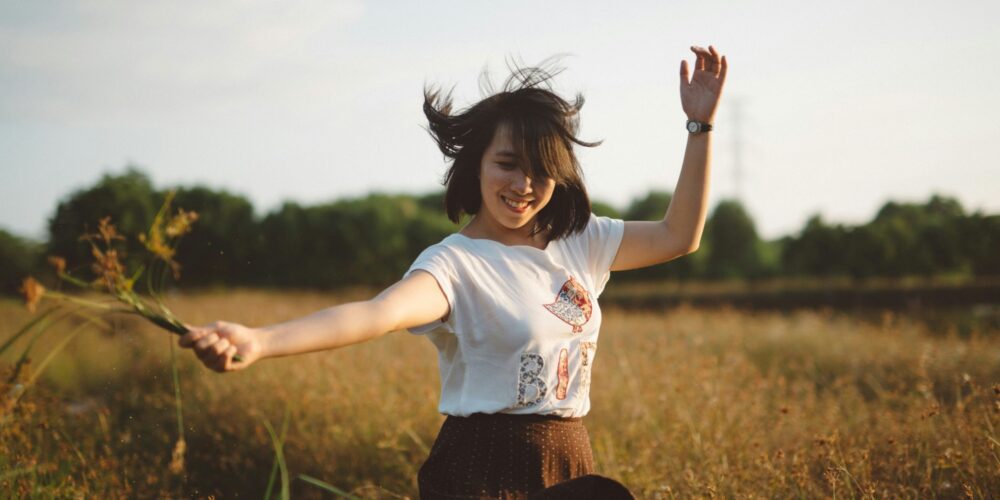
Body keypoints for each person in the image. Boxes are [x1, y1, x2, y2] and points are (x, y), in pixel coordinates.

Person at [180, 45, 727, 499]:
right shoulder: (456, 264)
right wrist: (260, 340)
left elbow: (679, 236)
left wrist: (699, 127)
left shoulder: (579, 241)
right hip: (481, 468)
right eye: (507, 164)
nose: (523, 185)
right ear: (478, 164)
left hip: (569, 457)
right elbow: (375, 315)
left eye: (540, 171)